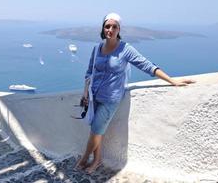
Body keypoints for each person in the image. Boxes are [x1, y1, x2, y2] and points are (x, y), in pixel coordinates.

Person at [75, 13, 195, 173]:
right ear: (103, 29)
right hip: (94, 96)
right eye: (107, 26)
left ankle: (84, 160)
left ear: (119, 29)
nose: (110, 29)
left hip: (110, 99)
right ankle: (97, 160)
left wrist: (172, 81)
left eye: (114, 26)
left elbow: (146, 65)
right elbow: (89, 73)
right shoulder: (97, 49)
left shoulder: (125, 49)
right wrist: (85, 94)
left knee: (95, 130)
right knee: (98, 131)